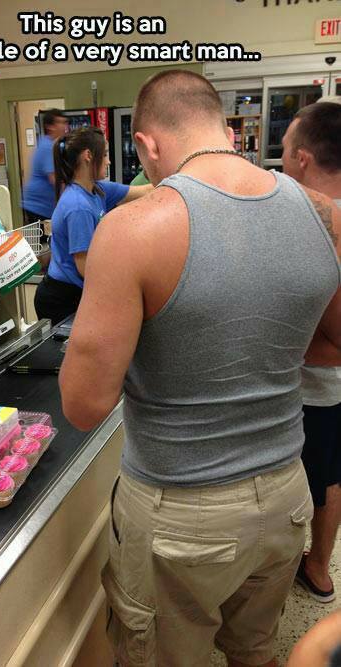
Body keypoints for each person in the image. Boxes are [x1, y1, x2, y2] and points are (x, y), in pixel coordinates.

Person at [59, 70, 341, 667]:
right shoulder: (322, 214)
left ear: (146, 145)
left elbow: (84, 405)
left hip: (178, 508)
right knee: (255, 651)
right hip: (285, 492)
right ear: (226, 130)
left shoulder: (131, 231)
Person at [282, 100, 341, 604]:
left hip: (317, 384)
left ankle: (315, 569)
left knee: (315, 482)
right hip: (326, 385)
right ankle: (318, 564)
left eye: (284, 150)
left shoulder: (322, 223)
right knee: (332, 474)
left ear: (302, 158)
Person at [33, 127, 152, 325]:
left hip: (75, 291)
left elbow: (145, 191)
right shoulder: (78, 206)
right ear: (88, 156)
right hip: (62, 298)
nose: (108, 161)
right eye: (104, 154)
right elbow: (86, 269)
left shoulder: (97, 190)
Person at [22, 109, 69, 224]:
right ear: (50, 127)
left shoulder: (50, 144)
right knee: (42, 235)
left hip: (42, 205)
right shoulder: (48, 146)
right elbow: (55, 180)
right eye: (60, 122)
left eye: (65, 122)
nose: (64, 126)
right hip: (38, 207)